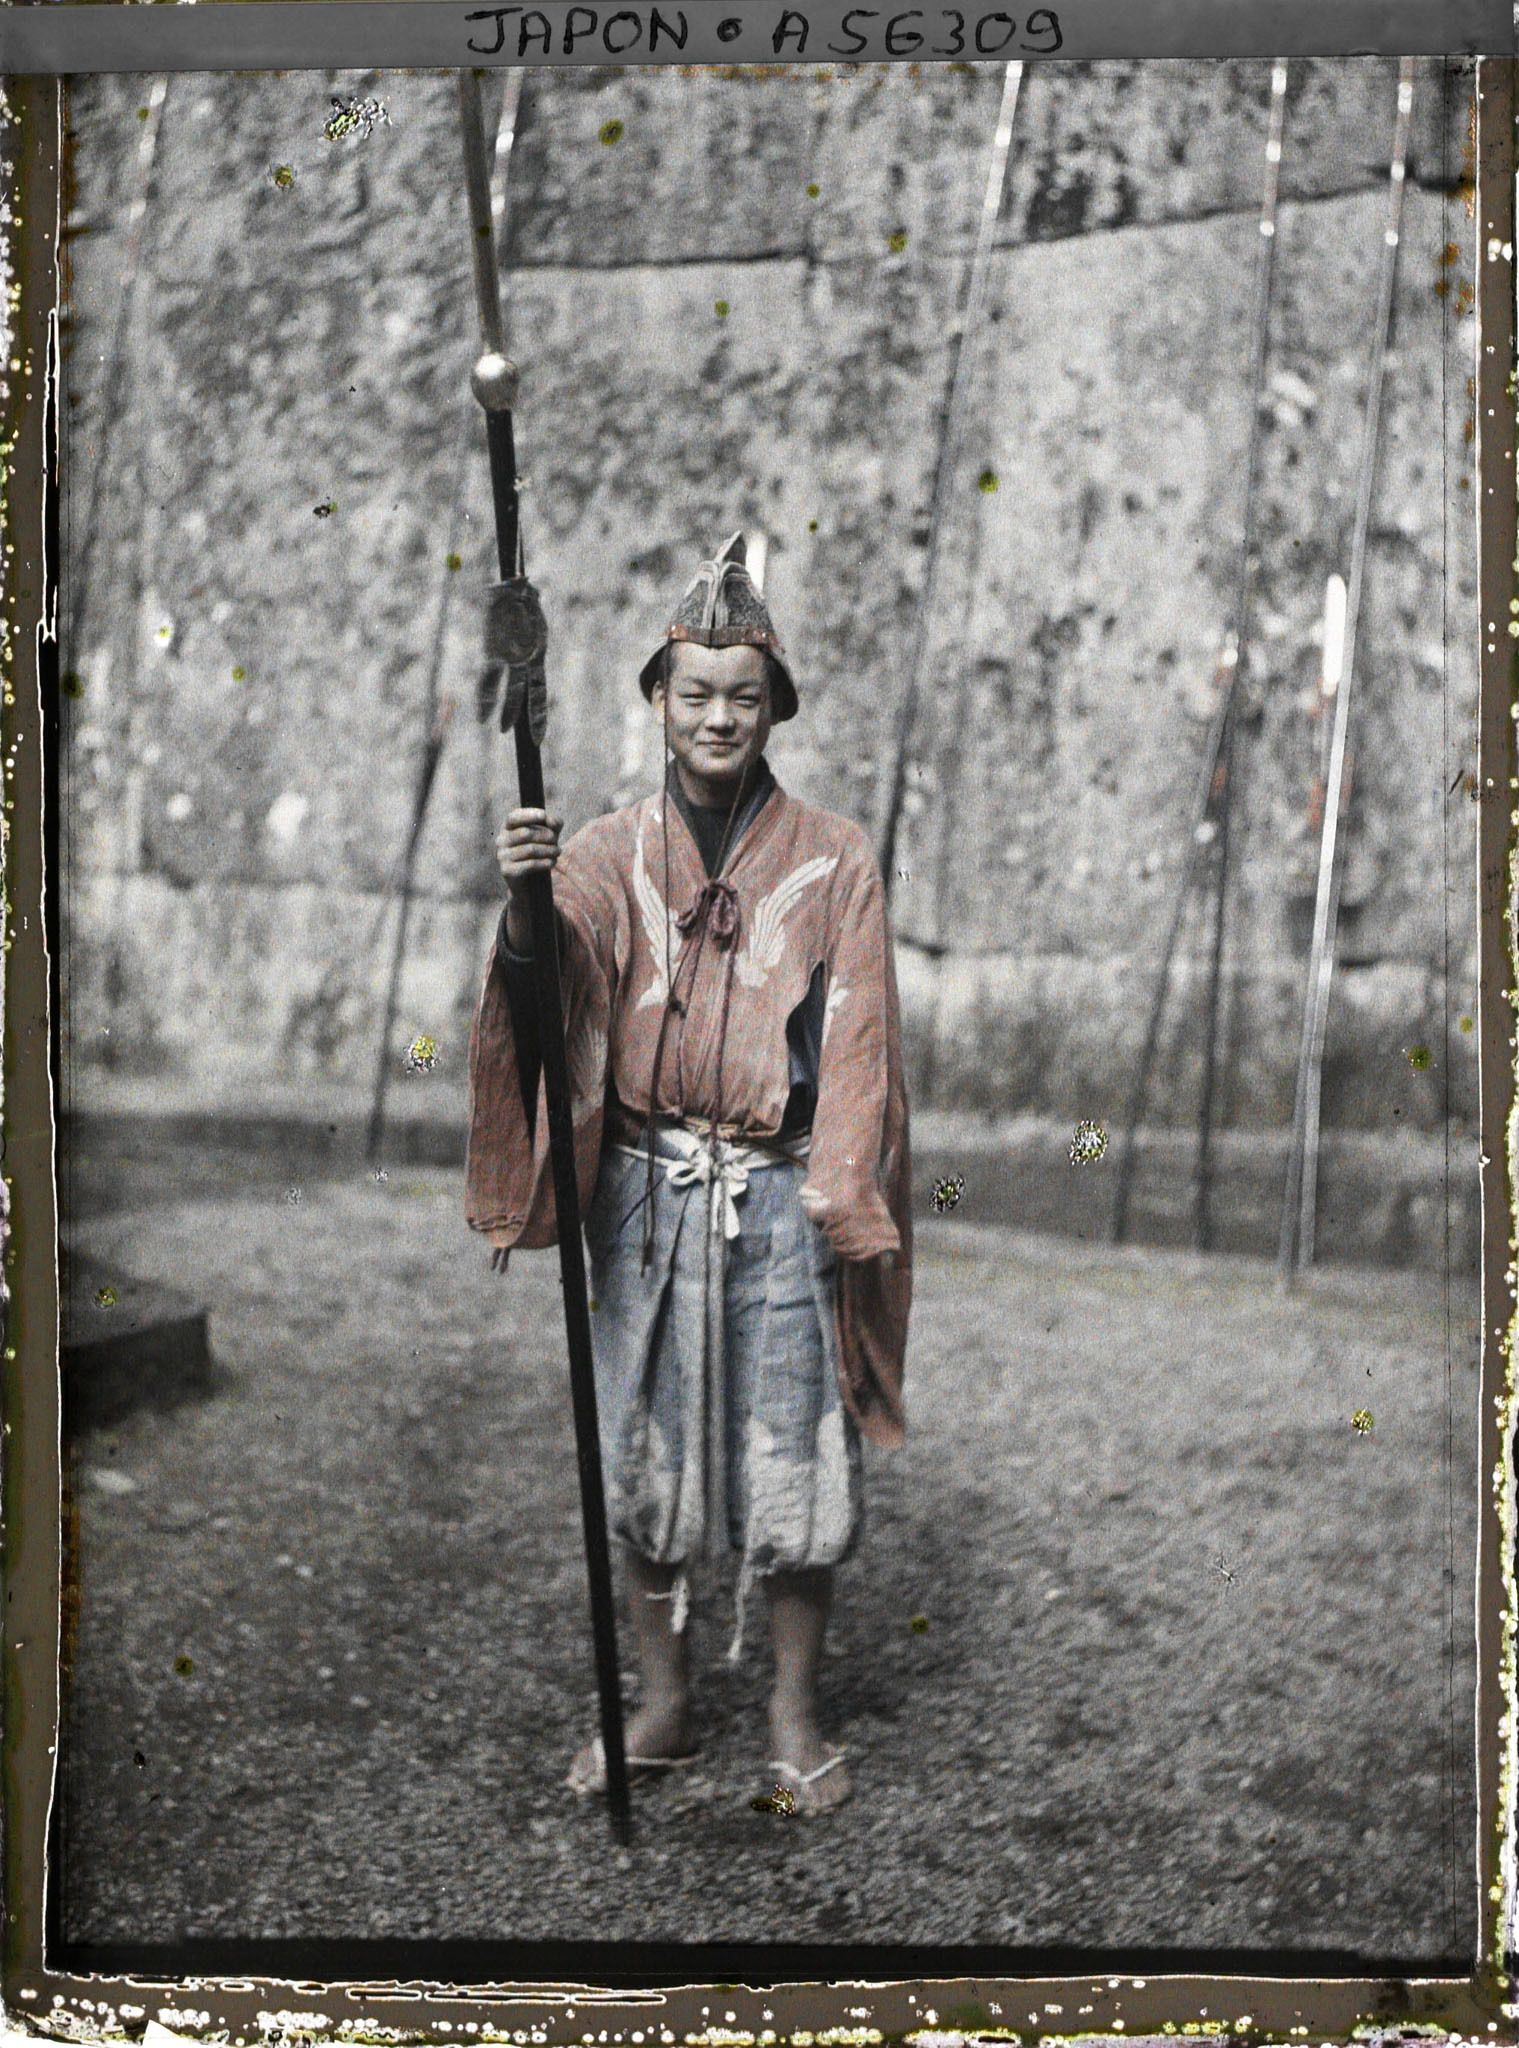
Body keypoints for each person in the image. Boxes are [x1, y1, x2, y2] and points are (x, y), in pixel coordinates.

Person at [465, 534, 911, 1816]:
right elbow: (548, 1005)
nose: (720, 715)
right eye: (695, 691)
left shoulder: (834, 853)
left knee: (794, 1449)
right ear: (658, 698)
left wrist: (839, 1194)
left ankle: (788, 1710)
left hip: (780, 1196)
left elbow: (863, 1037)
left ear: (775, 705)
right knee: (644, 1454)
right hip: (646, 1197)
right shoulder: (603, 851)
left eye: (744, 694)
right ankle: (662, 1700)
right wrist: (525, 907)